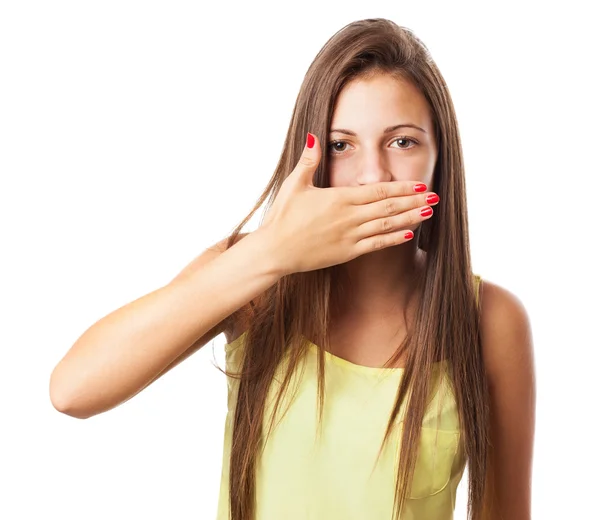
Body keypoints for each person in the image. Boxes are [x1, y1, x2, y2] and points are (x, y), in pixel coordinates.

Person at [49, 18, 535, 520]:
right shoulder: (255, 279)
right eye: (342, 145)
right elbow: (73, 390)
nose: (373, 175)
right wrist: (269, 253)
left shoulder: (489, 320)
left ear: (441, 157)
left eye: (402, 142)